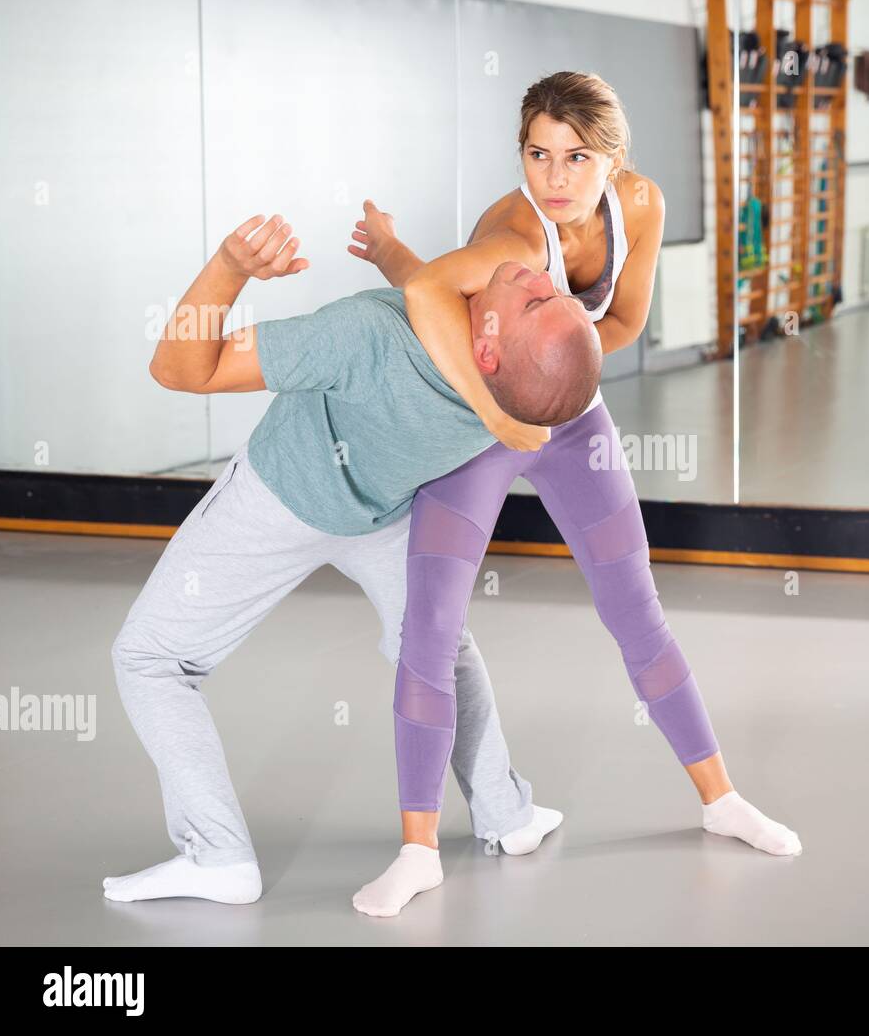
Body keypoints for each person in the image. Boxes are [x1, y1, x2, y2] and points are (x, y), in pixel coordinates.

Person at [347, 71, 801, 919]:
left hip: (574, 419)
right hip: (477, 426)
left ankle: (721, 799)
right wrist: (496, 400)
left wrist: (556, 372)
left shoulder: (643, 206)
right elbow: (425, 293)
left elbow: (623, 324)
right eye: (537, 154)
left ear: (614, 160)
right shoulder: (514, 227)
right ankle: (416, 851)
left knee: (637, 611)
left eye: (575, 157)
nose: (553, 177)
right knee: (431, 629)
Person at [104, 213, 599, 905]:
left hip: (280, 496)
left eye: (539, 299)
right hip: (385, 514)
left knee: (149, 659)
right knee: (438, 652)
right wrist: (395, 253)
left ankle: (217, 856)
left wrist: (230, 265)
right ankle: (507, 812)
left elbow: (182, 367)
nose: (539, 273)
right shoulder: (516, 407)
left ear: (487, 346)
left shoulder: (364, 337)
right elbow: (438, 302)